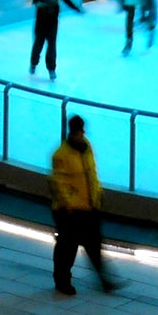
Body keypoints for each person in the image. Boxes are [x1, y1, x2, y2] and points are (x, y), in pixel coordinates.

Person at [49, 115, 116, 295]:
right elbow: (58, 183)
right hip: (69, 211)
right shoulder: (61, 155)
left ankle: (104, 279)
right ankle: (62, 280)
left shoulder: (86, 148)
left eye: (82, 130)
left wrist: (97, 195)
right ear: (72, 132)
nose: (81, 134)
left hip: (89, 207)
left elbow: (92, 174)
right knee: (67, 247)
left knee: (95, 244)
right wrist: (69, 205)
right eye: (78, 131)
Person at [30, 0, 82, 80]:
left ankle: (51, 69)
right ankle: (34, 63)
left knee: (52, 46)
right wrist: (43, 4)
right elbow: (35, 1)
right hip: (41, 21)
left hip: (53, 21)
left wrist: (76, 8)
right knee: (39, 43)